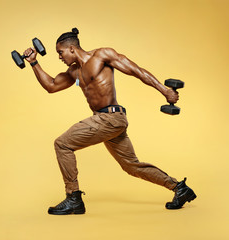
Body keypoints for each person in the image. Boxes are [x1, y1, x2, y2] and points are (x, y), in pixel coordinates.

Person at [23, 28, 196, 215]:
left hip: (110, 118)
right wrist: (34, 63)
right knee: (130, 166)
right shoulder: (74, 72)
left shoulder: (101, 56)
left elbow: (136, 70)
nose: (59, 57)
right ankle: (179, 188)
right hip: (107, 122)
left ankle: (73, 198)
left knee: (62, 144)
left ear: (72, 49)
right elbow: (51, 86)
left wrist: (165, 91)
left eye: (60, 52)